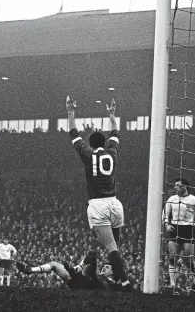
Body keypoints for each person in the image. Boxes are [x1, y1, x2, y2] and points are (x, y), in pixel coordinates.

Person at [66, 96, 131, 291]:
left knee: (110, 248)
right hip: (115, 204)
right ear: (104, 142)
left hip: (98, 205)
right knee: (113, 246)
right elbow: (115, 133)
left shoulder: (87, 153)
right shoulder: (112, 152)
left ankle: (125, 284)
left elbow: (73, 132)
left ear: (91, 144)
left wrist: (70, 111)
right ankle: (115, 280)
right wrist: (111, 115)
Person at [164, 177, 195, 292]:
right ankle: (172, 285)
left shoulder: (194, 200)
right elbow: (165, 214)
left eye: (178, 185)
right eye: (175, 185)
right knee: (172, 256)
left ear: (184, 187)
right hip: (175, 228)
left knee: (188, 260)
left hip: (188, 230)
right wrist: (167, 225)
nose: (175, 187)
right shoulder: (172, 199)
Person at [16, 250, 116, 290]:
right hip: (78, 282)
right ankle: (30, 270)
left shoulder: (112, 283)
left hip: (89, 287)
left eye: (107, 267)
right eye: (104, 266)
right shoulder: (99, 276)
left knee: (91, 261)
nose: (104, 267)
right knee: (54, 264)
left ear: (112, 272)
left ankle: (74, 269)